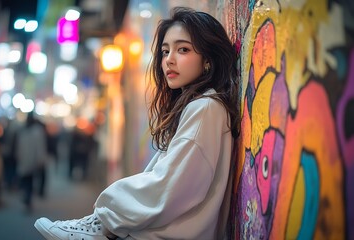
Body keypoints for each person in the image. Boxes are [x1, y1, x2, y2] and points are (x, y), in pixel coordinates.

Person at [34, 6, 240, 240]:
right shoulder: (204, 106)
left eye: (183, 49)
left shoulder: (205, 107)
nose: (169, 60)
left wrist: (109, 210)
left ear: (207, 60)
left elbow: (169, 187)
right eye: (165, 51)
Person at [14, 111, 48, 211]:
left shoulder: (24, 131)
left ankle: (27, 198)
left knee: (27, 180)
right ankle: (27, 198)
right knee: (29, 180)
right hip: (30, 161)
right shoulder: (36, 131)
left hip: (26, 161)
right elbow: (40, 147)